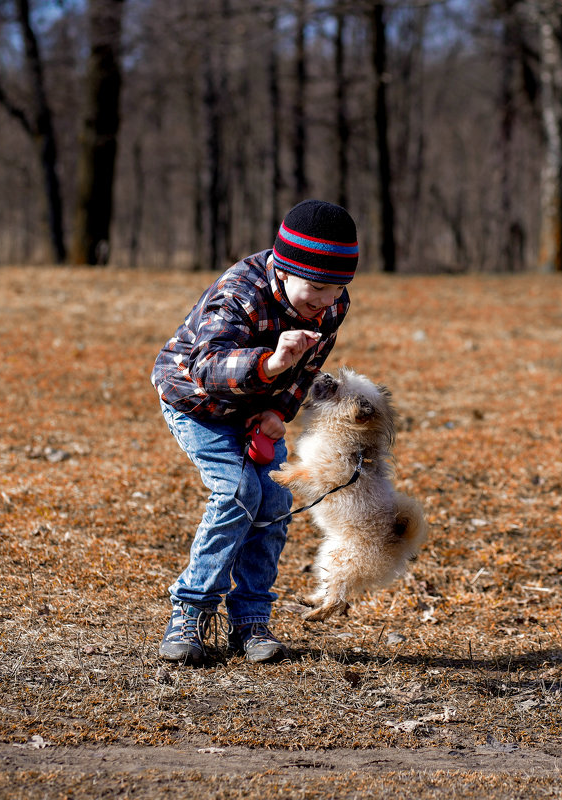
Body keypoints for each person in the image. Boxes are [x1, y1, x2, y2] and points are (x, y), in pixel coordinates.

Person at [150, 199, 358, 665]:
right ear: (283, 271)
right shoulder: (239, 292)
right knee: (238, 491)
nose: (327, 301)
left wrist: (280, 410)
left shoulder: (331, 305)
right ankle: (190, 612)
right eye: (318, 287)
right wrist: (272, 363)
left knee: (276, 497)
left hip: (256, 407)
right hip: (198, 402)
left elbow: (311, 367)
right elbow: (205, 367)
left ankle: (250, 619)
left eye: (339, 287)